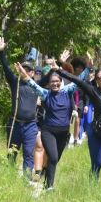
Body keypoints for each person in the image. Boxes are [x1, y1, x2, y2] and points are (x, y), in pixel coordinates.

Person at [15, 59, 87, 190]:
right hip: (48, 132)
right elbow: (33, 85)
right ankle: (49, 187)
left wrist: (89, 67)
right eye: (52, 82)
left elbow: (79, 80)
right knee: (52, 157)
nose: (54, 84)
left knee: (55, 160)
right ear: (49, 83)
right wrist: (24, 74)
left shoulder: (67, 91)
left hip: (63, 133)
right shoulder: (45, 94)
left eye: (57, 81)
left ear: (61, 82)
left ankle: (46, 178)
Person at [0, 37, 40, 177]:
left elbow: (52, 77)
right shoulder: (15, 82)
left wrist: (58, 65)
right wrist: (2, 52)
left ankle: (27, 178)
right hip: (14, 123)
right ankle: (9, 176)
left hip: (30, 125)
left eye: (27, 69)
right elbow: (6, 68)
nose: (24, 71)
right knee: (11, 152)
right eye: (22, 69)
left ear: (32, 73)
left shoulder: (36, 86)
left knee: (28, 152)